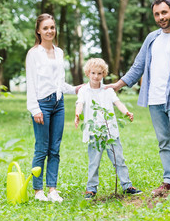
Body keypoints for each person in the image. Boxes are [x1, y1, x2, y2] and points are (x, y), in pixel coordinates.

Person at [105, 0, 170, 195]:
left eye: (164, 12)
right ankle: (169, 180)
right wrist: (118, 84)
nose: (161, 17)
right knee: (164, 141)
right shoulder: (151, 38)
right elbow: (138, 66)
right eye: (157, 14)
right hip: (154, 97)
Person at [26, 13, 82, 202]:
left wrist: (75, 89)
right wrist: (35, 109)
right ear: (38, 31)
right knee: (42, 148)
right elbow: (31, 84)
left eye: (52, 27)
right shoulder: (33, 54)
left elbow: (59, 83)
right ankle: (38, 190)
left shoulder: (59, 52)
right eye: (46, 28)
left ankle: (52, 189)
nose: (50, 31)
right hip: (42, 104)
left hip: (59, 104)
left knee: (55, 149)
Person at [74, 58, 142, 199]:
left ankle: (126, 185)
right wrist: (77, 113)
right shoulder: (83, 91)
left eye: (99, 73)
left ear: (104, 74)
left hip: (110, 131)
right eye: (93, 73)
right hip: (95, 132)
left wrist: (126, 112)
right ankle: (91, 188)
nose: (96, 76)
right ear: (88, 73)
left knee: (119, 159)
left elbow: (118, 103)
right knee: (94, 162)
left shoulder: (108, 90)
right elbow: (80, 103)